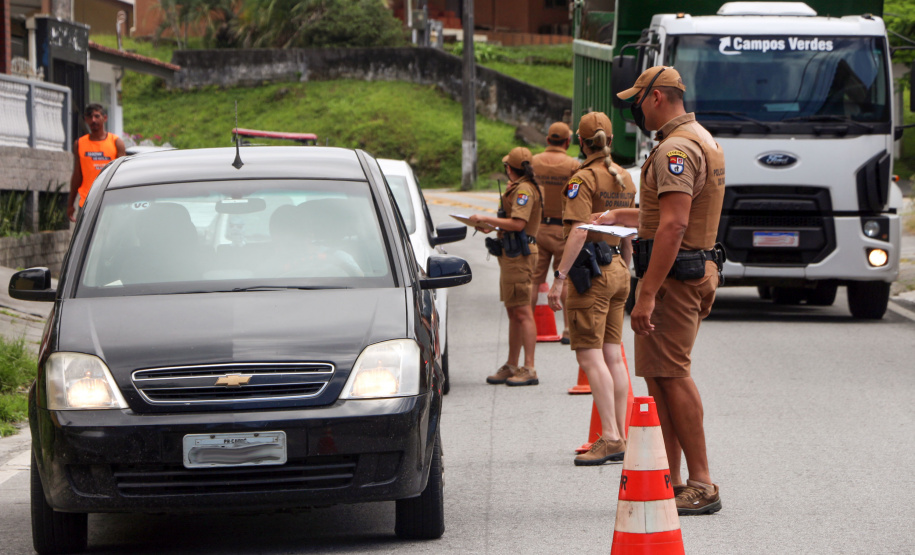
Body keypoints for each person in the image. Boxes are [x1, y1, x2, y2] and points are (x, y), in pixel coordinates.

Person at [594, 66, 725, 514]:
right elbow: (667, 214)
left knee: (672, 375)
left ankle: (702, 482)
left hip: (673, 279)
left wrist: (646, 293)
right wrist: (623, 217)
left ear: (656, 97)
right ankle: (671, 476)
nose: (634, 109)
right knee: (662, 378)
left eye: (637, 99)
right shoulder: (698, 137)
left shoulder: (676, 149)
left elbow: (675, 223)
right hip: (686, 270)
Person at [545, 112, 636, 465]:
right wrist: (625, 266)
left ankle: (611, 436)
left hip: (591, 273)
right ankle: (621, 433)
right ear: (610, 141)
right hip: (617, 268)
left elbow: (580, 231)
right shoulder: (625, 177)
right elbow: (628, 229)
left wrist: (560, 278)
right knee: (613, 354)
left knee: (589, 355)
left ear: (581, 143)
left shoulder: (582, 179)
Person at [469, 147, 542, 386]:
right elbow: (511, 224)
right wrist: (490, 227)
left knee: (522, 311)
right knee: (513, 311)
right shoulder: (520, 187)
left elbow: (519, 223)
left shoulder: (524, 190)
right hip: (511, 254)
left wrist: (487, 219)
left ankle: (529, 367)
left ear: (510, 168)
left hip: (520, 255)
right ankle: (512, 364)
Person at [531, 121, 581, 344]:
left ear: (547, 139)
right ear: (567, 142)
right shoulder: (572, 165)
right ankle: (568, 330)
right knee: (565, 280)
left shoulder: (533, 162)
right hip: (563, 229)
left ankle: (528, 324)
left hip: (538, 227)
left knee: (534, 281)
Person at [68, 104, 126, 222]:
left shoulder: (116, 143)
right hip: (87, 201)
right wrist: (70, 203)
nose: (93, 120)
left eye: (97, 116)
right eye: (90, 117)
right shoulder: (80, 144)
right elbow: (77, 176)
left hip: (110, 201)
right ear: (86, 120)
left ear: (105, 118)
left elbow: (123, 175)